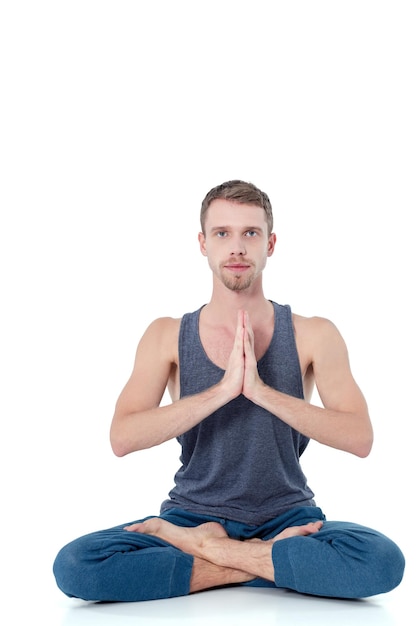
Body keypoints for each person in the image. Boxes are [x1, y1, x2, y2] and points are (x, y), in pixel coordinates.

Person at [53, 179, 405, 602]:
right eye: (222, 234)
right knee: (76, 566)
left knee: (383, 560)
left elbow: (360, 437)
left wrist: (260, 391)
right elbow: (122, 438)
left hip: (289, 518)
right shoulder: (166, 335)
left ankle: (213, 555)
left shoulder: (314, 334)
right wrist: (221, 391)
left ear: (270, 244)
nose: (236, 248)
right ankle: (267, 562)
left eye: (250, 234)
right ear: (203, 243)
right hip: (191, 518)